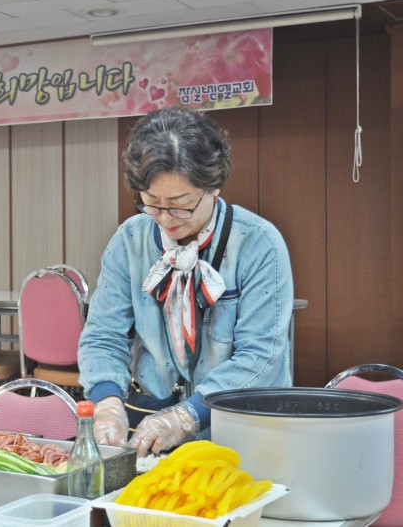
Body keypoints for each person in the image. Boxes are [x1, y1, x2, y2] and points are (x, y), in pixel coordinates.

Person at [78, 107, 293, 456]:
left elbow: (261, 356)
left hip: (239, 427)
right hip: (150, 424)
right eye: (151, 203)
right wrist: (107, 403)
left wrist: (187, 416)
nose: (165, 219)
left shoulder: (258, 243)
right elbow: (104, 335)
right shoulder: (131, 239)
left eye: (180, 205)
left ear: (213, 186)